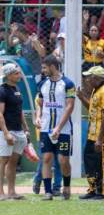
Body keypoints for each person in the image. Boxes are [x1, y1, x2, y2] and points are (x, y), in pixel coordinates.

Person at [34, 55, 75, 201]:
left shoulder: (68, 83)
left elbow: (70, 106)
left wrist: (58, 127)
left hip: (63, 130)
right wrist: (38, 117)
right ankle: (48, 191)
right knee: (46, 158)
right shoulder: (42, 84)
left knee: (63, 160)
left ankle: (67, 186)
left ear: (52, 66)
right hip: (45, 128)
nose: (42, 70)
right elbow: (40, 103)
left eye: (44, 67)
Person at [76, 65, 104, 200]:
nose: (87, 80)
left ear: (97, 78)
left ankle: (102, 191)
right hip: (92, 134)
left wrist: (100, 138)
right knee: (90, 161)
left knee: (102, 164)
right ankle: (93, 189)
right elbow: (93, 109)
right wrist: (82, 98)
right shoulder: (96, 91)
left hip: (102, 137)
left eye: (89, 78)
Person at [0, 63, 29, 200]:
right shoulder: (2, 90)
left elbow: (20, 110)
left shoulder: (17, 89)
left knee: (13, 161)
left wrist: (26, 127)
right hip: (7, 130)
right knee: (3, 161)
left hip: (18, 130)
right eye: (16, 73)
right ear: (9, 75)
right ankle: (1, 193)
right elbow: (0, 114)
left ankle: (12, 192)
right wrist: (5, 132)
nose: (19, 75)